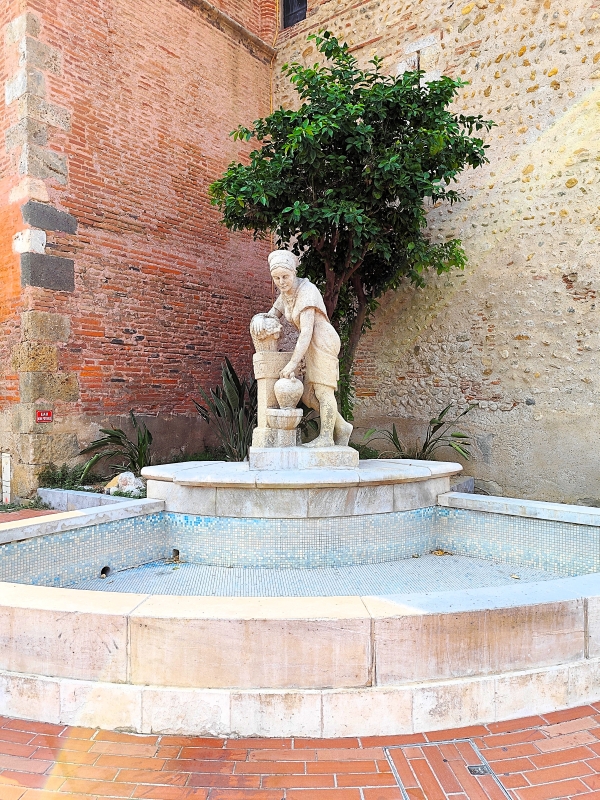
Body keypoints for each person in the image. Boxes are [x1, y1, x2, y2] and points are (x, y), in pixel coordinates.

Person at [250, 250, 353, 448]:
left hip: (322, 341)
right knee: (307, 395)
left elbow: (306, 332)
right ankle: (342, 426)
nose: (281, 281)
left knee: (323, 392)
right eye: (277, 278)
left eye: (285, 277)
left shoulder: (307, 291)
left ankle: (326, 438)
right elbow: (272, 315)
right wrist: (258, 319)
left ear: (293, 273)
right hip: (310, 344)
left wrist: (292, 364)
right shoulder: (285, 295)